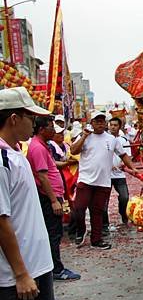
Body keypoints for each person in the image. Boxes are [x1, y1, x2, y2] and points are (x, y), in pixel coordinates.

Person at [0, 87, 96, 300]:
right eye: (32, 117)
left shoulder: (16, 153)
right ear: (15, 119)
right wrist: (20, 273)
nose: (37, 123)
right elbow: (1, 221)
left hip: (38, 262)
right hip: (17, 271)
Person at [70, 110, 138, 250]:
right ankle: (81, 231)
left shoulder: (112, 139)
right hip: (85, 180)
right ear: (92, 123)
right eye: (97, 121)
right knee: (79, 208)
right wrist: (83, 136)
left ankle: (96, 239)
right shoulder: (85, 137)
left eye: (102, 121)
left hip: (103, 182)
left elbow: (123, 154)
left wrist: (133, 168)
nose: (100, 123)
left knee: (98, 211)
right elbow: (73, 151)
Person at [26, 116, 81, 282]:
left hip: (52, 195)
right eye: (51, 127)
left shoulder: (43, 146)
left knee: (54, 233)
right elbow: (43, 177)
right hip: (48, 197)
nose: (55, 130)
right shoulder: (37, 148)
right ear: (42, 129)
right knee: (53, 234)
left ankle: (54, 268)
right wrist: (53, 200)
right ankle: (56, 270)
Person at [101, 117, 131, 228]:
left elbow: (127, 156)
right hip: (106, 175)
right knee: (104, 201)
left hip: (119, 174)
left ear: (119, 127)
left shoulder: (123, 140)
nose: (113, 127)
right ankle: (104, 224)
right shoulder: (103, 139)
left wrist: (123, 165)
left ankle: (123, 214)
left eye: (115, 125)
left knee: (124, 197)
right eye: (111, 125)